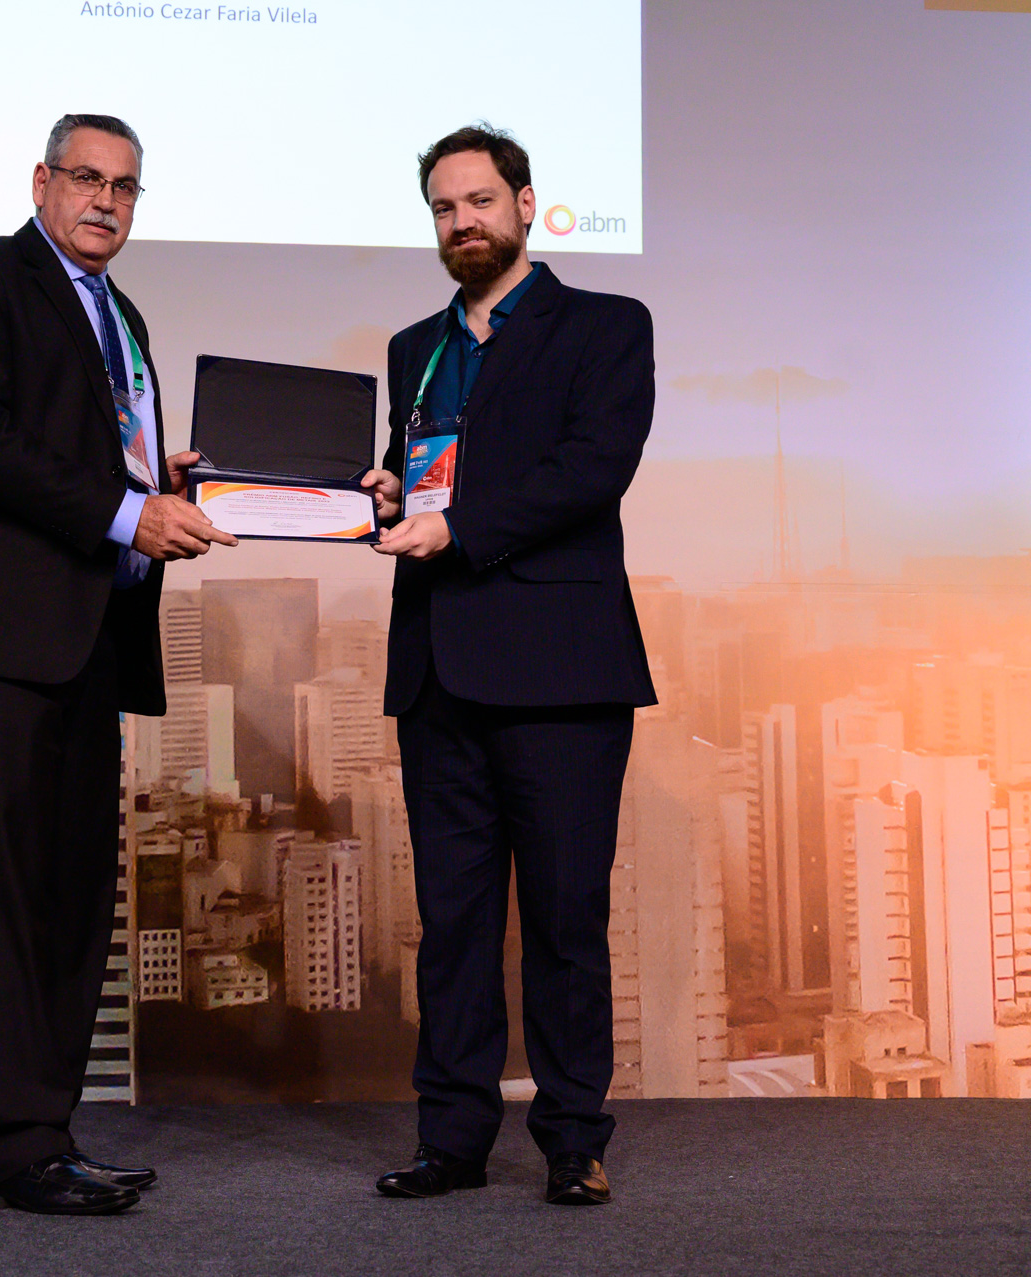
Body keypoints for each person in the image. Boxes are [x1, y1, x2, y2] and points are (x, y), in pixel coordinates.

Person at [0, 112, 235, 1215]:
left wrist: (153, 481)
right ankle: (12, 1149)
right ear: (41, 181)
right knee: (3, 897)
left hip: (92, 634)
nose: (105, 200)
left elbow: (89, 452)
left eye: (125, 186)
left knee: (75, 897)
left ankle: (45, 1132)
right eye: (86, 178)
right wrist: (126, 510)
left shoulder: (122, 313)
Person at [361, 124, 657, 1206]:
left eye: (480, 201)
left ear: (527, 205)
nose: (463, 223)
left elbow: (594, 467)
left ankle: (574, 1139)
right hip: (437, 671)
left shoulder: (607, 325)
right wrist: (387, 493)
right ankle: (452, 1139)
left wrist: (456, 526)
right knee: (453, 925)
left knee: (566, 921)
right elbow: (423, 476)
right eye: (444, 209)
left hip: (561, 672)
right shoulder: (415, 347)